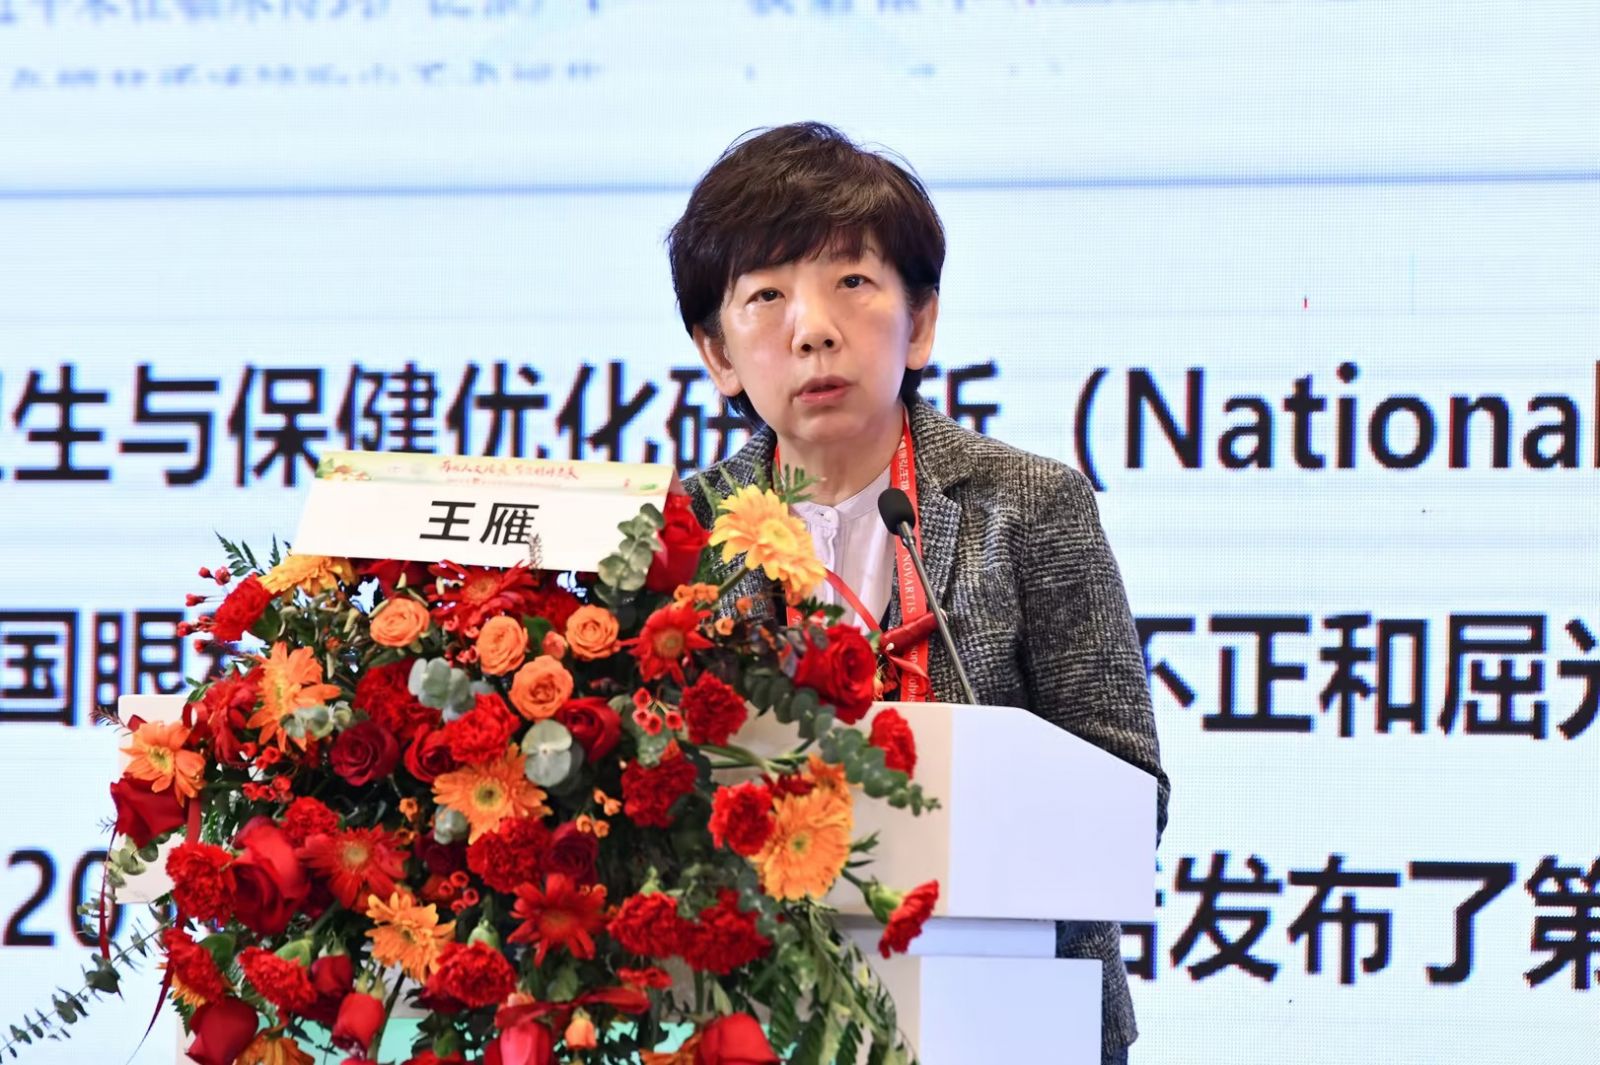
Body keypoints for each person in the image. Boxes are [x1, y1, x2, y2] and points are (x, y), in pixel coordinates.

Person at [670, 122, 1170, 1065]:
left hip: (1015, 1014)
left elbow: (1127, 791)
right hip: (746, 1014)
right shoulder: (680, 533)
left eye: (852, 283)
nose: (813, 327)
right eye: (766, 295)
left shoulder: (1030, 505)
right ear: (718, 354)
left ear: (922, 322)